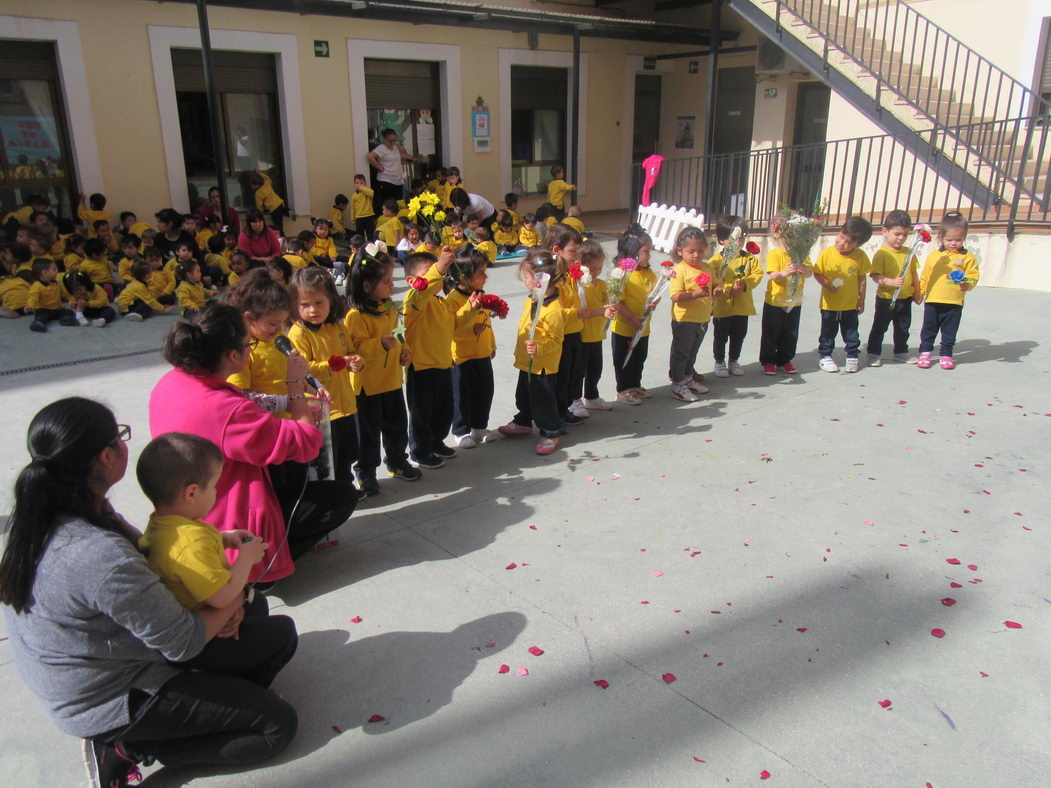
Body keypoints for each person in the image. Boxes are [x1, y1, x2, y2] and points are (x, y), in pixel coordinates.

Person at [0, 398, 297, 787]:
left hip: (100, 663)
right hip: (109, 696)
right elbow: (183, 641)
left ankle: (214, 697)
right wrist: (231, 601)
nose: (126, 442)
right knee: (275, 725)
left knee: (255, 614)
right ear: (107, 457)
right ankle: (124, 748)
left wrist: (234, 604)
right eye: (121, 435)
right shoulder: (95, 553)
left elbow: (156, 563)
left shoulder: (63, 512)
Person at [151, 302, 356, 580]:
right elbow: (308, 441)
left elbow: (246, 400)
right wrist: (294, 387)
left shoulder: (172, 381)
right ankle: (260, 567)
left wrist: (285, 399)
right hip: (230, 517)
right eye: (249, 345)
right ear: (234, 355)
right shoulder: (226, 410)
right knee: (342, 496)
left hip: (192, 505)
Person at [136, 433, 297, 687]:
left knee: (258, 606)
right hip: (200, 644)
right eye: (213, 486)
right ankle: (245, 690)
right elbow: (223, 596)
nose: (216, 491)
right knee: (284, 633)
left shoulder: (164, 524)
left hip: (198, 614)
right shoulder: (190, 542)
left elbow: (183, 554)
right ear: (191, 494)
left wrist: (223, 538)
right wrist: (246, 557)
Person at [344, 244, 419, 495]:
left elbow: (398, 333)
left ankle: (397, 461)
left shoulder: (389, 308)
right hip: (367, 387)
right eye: (385, 281)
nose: (391, 284)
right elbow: (354, 349)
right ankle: (365, 472)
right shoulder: (355, 316)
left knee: (396, 425)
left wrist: (403, 348)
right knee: (368, 433)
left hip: (391, 381)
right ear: (366, 286)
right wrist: (380, 344)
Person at [288, 267, 364, 487]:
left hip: (346, 403)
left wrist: (356, 361)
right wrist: (333, 364)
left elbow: (351, 351)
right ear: (294, 306)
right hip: (322, 409)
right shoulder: (299, 332)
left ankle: (346, 484)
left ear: (331, 299)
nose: (313, 310)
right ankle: (334, 489)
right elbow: (303, 368)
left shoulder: (337, 326)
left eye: (319, 303)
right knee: (329, 455)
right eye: (305, 305)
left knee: (349, 450)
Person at [402, 247, 467, 468]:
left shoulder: (441, 303)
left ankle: (435, 441)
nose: (437, 275)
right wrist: (439, 266)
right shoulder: (413, 302)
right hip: (421, 368)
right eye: (429, 271)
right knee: (422, 413)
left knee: (443, 410)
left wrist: (473, 310)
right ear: (412, 280)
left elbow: (455, 324)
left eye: (438, 271)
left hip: (443, 364)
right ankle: (419, 451)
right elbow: (421, 291)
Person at [498, 249, 565, 455]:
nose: (525, 281)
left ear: (539, 280)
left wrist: (539, 347)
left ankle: (551, 432)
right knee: (524, 395)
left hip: (542, 366)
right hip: (528, 361)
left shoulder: (553, 310)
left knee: (543, 400)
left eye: (526, 277)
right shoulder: (533, 299)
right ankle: (524, 420)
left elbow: (556, 340)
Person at [448, 248, 498, 449]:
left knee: (484, 391)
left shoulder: (481, 294)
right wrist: (471, 327)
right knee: (462, 395)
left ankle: (479, 426)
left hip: (482, 352)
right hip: (461, 356)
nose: (485, 277)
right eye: (480, 273)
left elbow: (487, 322)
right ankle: (461, 430)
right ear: (463, 277)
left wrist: (491, 343)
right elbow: (452, 328)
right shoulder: (452, 299)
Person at [916, 212, 979, 370]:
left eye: (958, 240)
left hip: (954, 302)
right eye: (949, 240)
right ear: (941, 237)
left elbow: (973, 276)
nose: (953, 243)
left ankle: (946, 354)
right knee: (928, 329)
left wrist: (967, 284)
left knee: (949, 332)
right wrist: (920, 292)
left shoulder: (968, 257)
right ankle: (925, 352)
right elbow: (925, 276)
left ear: (964, 238)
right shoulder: (935, 255)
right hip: (933, 300)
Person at [813, 216, 873, 373]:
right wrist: (826, 284)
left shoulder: (860, 257)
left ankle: (852, 356)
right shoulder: (827, 254)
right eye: (841, 236)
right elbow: (818, 273)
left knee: (851, 331)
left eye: (848, 242)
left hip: (850, 304)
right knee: (828, 331)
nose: (841, 242)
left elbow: (862, 279)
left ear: (858, 244)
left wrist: (862, 300)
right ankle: (825, 356)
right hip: (830, 304)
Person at [710, 217, 763, 379]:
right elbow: (713, 281)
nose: (738, 242)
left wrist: (745, 284)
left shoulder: (749, 258)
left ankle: (734, 360)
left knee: (739, 335)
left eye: (741, 238)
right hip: (722, 307)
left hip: (742, 306)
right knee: (720, 336)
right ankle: (719, 361)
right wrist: (728, 288)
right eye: (732, 238)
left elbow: (757, 274)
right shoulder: (716, 261)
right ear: (721, 239)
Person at [866, 210, 921, 366]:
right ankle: (873, 353)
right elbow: (875, 275)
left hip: (905, 298)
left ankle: (901, 351)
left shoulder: (909, 253)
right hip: (886, 298)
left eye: (905, 234)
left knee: (903, 327)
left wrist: (917, 292)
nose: (901, 238)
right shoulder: (881, 254)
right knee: (880, 326)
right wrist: (890, 282)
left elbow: (914, 273)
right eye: (897, 234)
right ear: (885, 231)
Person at [610, 224, 658, 405]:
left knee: (639, 356)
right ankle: (623, 389)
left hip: (643, 326)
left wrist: (655, 301)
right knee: (623, 359)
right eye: (646, 251)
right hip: (625, 327)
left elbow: (655, 290)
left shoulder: (647, 272)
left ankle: (635, 384)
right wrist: (631, 319)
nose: (649, 255)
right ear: (633, 251)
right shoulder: (621, 273)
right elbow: (617, 302)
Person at [667, 226, 715, 402]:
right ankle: (677, 384)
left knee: (692, 351)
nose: (696, 255)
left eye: (701, 251)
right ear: (680, 251)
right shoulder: (680, 270)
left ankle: (687, 377)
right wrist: (695, 294)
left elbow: (715, 284)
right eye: (691, 251)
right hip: (684, 320)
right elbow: (675, 296)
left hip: (702, 318)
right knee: (681, 352)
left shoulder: (707, 268)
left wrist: (717, 289)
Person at [759, 223, 813, 375]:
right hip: (775, 302)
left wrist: (804, 269)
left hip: (795, 301)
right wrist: (785, 273)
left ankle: (785, 359)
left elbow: (810, 272)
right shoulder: (775, 253)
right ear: (778, 235)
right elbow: (773, 275)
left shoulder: (802, 254)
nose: (792, 240)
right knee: (771, 332)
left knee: (790, 333)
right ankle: (768, 361)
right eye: (789, 236)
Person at [547, 223, 586, 426]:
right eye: (572, 251)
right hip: (560, 335)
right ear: (556, 251)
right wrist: (578, 312)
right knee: (560, 377)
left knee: (573, 374)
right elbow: (555, 311)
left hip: (574, 331)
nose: (577, 256)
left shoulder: (569, 275)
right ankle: (556, 414)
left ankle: (564, 409)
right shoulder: (552, 279)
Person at [572, 238, 618, 413]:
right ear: (581, 266)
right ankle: (574, 399)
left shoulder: (602, 285)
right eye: (592, 269)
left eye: (599, 268)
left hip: (597, 335)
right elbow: (585, 311)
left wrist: (612, 306)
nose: (596, 272)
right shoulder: (579, 286)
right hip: (582, 336)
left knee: (595, 368)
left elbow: (608, 303)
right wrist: (602, 311)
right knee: (578, 372)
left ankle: (591, 396)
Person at [367, 128, 414, 211]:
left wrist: (411, 157)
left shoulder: (395, 148)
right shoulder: (381, 148)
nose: (392, 142)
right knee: (387, 204)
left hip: (397, 181)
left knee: (397, 204)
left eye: (394, 140)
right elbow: (370, 157)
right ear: (385, 139)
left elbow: (400, 155)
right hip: (386, 181)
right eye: (390, 140)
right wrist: (379, 167)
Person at [26, 257, 74, 332]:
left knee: (68, 312)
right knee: (41, 315)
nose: (57, 272)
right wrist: (30, 306)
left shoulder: (56, 283)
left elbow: (64, 294)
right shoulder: (37, 285)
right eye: (54, 270)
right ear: (45, 272)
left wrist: (72, 299)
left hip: (57, 309)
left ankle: (65, 319)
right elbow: (33, 297)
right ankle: (38, 323)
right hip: (44, 309)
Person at [351, 174, 376, 238]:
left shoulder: (368, 193)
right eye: (357, 183)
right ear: (354, 185)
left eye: (361, 183)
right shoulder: (354, 196)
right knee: (359, 235)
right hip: (359, 217)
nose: (359, 185)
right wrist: (353, 218)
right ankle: (360, 247)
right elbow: (353, 208)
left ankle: (371, 246)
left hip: (369, 216)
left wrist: (361, 187)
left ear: (365, 184)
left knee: (370, 234)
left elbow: (371, 192)